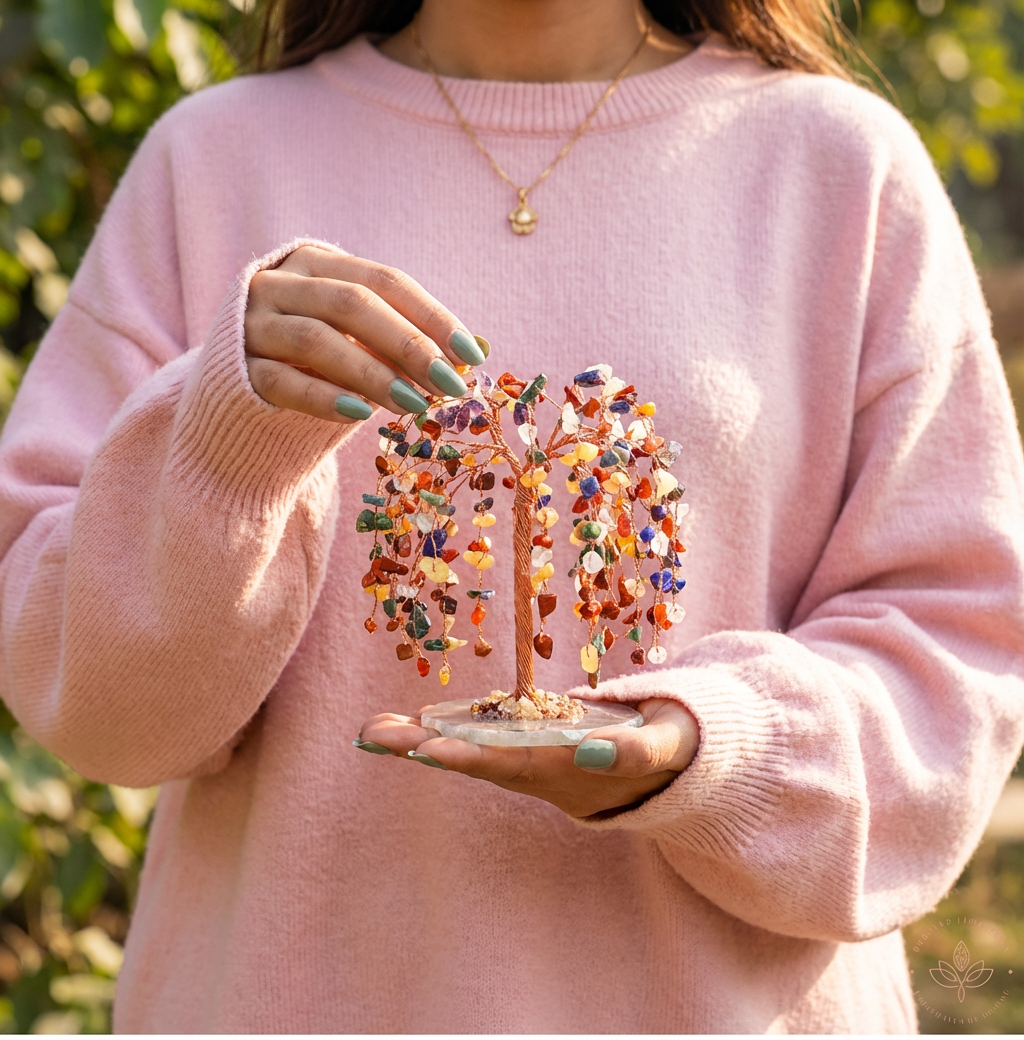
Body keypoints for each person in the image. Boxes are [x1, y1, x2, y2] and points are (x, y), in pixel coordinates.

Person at [0, 0, 1021, 1031]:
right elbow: (90, 708)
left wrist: (717, 747)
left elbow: (960, 656)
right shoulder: (210, 160)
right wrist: (229, 433)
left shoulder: (841, 166)